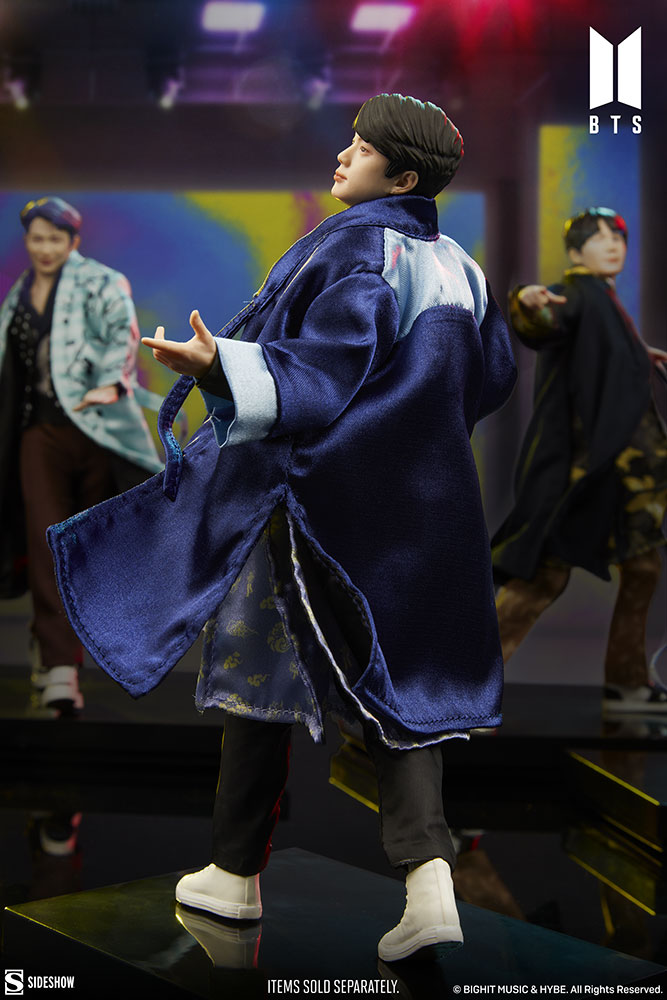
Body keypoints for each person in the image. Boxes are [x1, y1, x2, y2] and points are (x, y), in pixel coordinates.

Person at [48, 95, 516, 960]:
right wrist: (413, 436)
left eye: (361, 150)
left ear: (401, 178)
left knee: (267, 671)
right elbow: (487, 378)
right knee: (392, 683)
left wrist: (219, 366)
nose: (342, 156)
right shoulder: (460, 267)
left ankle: (298, 874)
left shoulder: (358, 247)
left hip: (319, 504)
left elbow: (324, 370)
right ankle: (325, 877)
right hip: (417, 512)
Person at [492, 207, 667, 713]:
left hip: (617, 479)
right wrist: (527, 302)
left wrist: (638, 354)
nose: (612, 244)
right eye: (598, 237)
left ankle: (627, 683)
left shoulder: (603, 299)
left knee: (643, 567)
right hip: (582, 476)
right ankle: (462, 690)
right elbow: (545, 320)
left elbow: (596, 349)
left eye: (618, 237)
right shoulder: (577, 292)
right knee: (543, 577)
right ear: (575, 252)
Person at [0, 196, 163, 713]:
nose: (45, 248)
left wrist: (110, 382)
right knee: (45, 540)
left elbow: (122, 334)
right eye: (37, 238)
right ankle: (59, 666)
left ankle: (91, 654)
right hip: (39, 433)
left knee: (90, 548)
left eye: (55, 239)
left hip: (97, 429)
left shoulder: (101, 281)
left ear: (73, 241)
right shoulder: (19, 294)